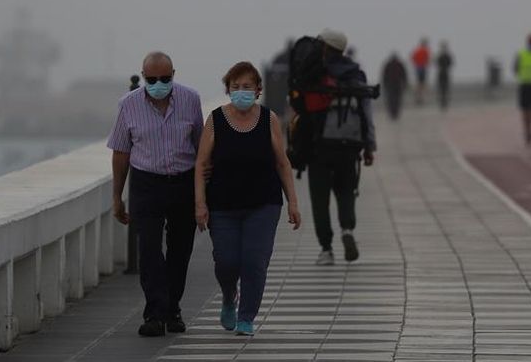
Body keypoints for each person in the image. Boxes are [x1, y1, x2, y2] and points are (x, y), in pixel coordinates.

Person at [194, 62, 301, 336]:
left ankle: (246, 317)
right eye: (236, 87)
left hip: (263, 203)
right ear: (228, 90)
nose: (241, 92)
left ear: (258, 90)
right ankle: (230, 296)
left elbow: (282, 164)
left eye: (247, 87)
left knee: (255, 261)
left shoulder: (269, 119)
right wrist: (200, 204)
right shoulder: (215, 120)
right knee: (226, 261)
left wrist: (293, 202)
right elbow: (201, 163)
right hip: (223, 206)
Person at [107, 51, 204, 337]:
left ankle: (172, 309)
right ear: (143, 76)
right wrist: (116, 196)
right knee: (149, 250)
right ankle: (154, 313)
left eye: (165, 78)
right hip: (146, 183)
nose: (158, 84)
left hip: (182, 181)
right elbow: (121, 152)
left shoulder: (190, 99)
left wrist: (203, 194)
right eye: (152, 79)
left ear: (174, 74)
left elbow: (201, 147)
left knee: (180, 249)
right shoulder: (128, 105)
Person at [308, 29, 376, 266]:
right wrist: (369, 147)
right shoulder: (355, 74)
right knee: (346, 190)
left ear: (325, 48)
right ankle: (347, 229)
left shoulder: (315, 72)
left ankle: (326, 249)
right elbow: (366, 112)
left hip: (319, 146)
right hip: (349, 145)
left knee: (320, 198)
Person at [381, 51, 408, 120]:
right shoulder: (399, 64)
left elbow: (384, 76)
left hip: (391, 85)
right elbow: (404, 75)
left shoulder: (388, 64)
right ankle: (395, 113)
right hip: (397, 85)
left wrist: (384, 85)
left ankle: (393, 113)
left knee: (391, 100)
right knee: (396, 100)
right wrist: (405, 84)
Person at [410, 38, 431, 105]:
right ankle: (420, 98)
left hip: (418, 67)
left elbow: (412, 58)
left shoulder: (417, 50)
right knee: (422, 84)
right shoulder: (425, 50)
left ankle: (417, 97)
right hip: (422, 68)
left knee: (419, 83)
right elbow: (428, 59)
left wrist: (416, 63)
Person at [435, 41, 454, 110]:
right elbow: (451, 63)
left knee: (443, 88)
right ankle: (444, 101)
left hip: (442, 73)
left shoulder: (440, 56)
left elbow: (437, 63)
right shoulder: (447, 56)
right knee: (444, 88)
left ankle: (443, 101)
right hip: (445, 72)